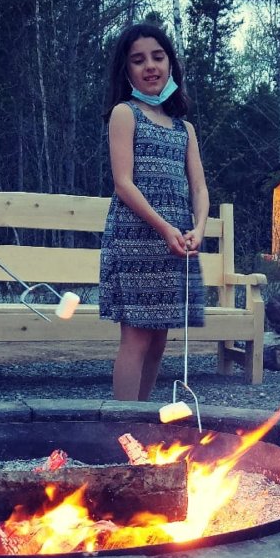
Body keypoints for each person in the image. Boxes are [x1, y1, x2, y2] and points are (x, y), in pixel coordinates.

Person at [100, 23, 209, 402]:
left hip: (176, 244)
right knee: (137, 335)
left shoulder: (185, 129)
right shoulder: (125, 114)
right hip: (137, 239)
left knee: (160, 336)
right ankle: (122, 427)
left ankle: (142, 421)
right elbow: (123, 184)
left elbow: (198, 187)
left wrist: (198, 228)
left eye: (158, 57)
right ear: (126, 70)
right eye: (138, 59)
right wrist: (165, 227)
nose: (150, 66)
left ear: (170, 64)